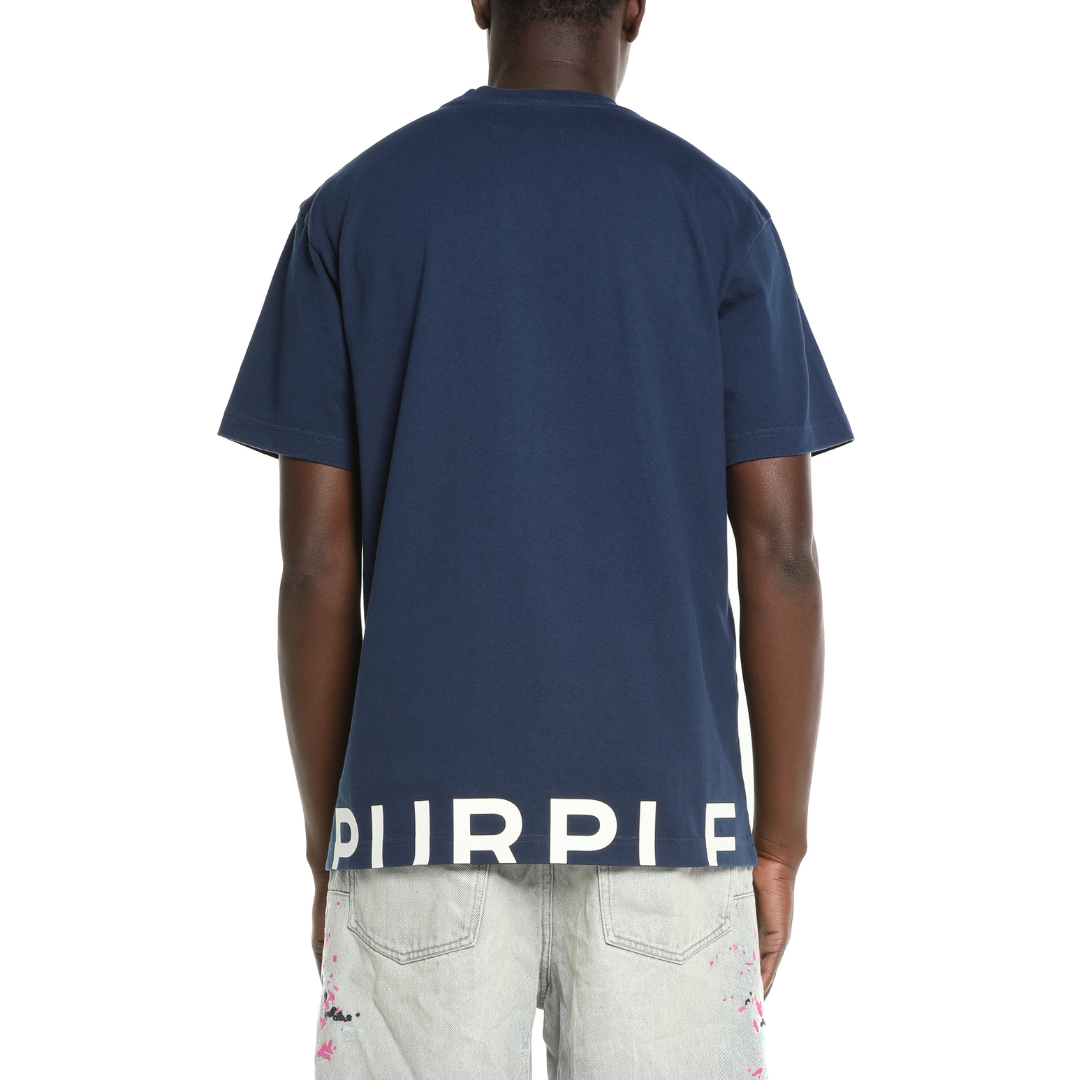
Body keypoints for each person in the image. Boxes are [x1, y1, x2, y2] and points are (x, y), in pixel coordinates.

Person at [218, 1, 852, 1075]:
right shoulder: (718, 216)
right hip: (670, 831)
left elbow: (316, 564)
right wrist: (779, 841)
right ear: (636, 7)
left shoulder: (354, 212)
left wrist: (334, 845)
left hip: (416, 829)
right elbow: (782, 555)